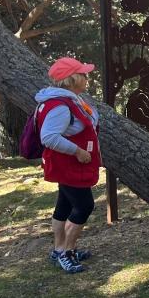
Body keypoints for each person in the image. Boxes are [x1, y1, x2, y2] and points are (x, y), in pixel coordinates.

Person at [36, 57, 101, 274]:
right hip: (70, 165)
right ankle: (67, 253)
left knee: (64, 205)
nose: (86, 77)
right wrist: (79, 151)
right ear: (71, 79)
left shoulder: (63, 100)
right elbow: (49, 137)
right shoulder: (61, 106)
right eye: (82, 74)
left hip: (66, 166)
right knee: (84, 206)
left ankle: (58, 250)